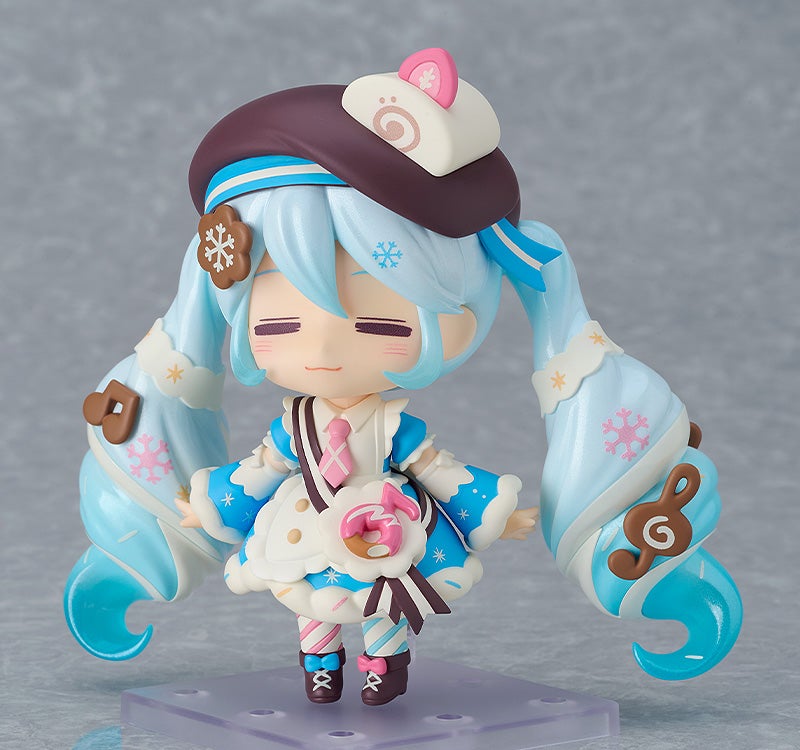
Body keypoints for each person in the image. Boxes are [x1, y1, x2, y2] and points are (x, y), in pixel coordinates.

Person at [66, 48, 742, 705]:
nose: (322, 344)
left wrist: (492, 509)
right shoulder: (293, 429)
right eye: (279, 323)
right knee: (311, 600)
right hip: (306, 528)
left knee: (386, 597)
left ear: (458, 320)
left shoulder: (394, 429)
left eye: (380, 323)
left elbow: (437, 470)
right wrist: (208, 504)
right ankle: (320, 664)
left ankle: (383, 663)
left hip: (392, 525)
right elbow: (262, 468)